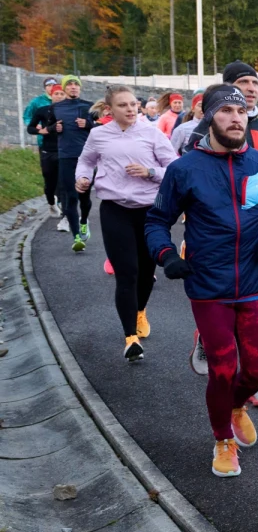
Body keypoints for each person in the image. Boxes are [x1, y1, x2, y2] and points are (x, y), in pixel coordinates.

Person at [145, 84, 258, 478]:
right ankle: (222, 438)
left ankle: (236, 405)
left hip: (257, 281)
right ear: (209, 117)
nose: (236, 118)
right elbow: (157, 221)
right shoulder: (184, 170)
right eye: (226, 111)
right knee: (223, 369)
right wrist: (167, 255)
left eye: (241, 112)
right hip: (209, 286)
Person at [187, 61, 258, 409]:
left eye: (255, 83)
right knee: (224, 365)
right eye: (243, 83)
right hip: (213, 251)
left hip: (257, 246)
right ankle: (214, 345)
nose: (251, 88)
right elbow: (196, 184)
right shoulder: (200, 132)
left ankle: (250, 377)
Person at [75, 85, 177, 361]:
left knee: (146, 272)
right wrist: (82, 178)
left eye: (133, 104)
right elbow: (85, 161)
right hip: (114, 209)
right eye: (123, 105)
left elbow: (175, 168)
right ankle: (130, 337)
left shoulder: (152, 134)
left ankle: (140, 310)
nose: (131, 109)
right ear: (110, 110)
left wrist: (150, 171)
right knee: (127, 272)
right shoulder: (98, 134)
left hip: (149, 211)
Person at [53, 75, 96, 251]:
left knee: (84, 197)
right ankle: (77, 237)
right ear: (64, 89)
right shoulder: (55, 108)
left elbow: (100, 127)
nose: (73, 87)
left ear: (80, 88)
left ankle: (84, 220)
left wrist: (88, 124)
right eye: (69, 85)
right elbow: (45, 127)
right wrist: (53, 128)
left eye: (76, 84)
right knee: (70, 197)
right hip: (65, 156)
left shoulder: (89, 106)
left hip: (86, 157)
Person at [28, 84, 66, 225]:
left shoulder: (71, 112)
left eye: (62, 94)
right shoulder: (42, 110)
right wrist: (41, 131)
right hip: (48, 150)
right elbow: (30, 128)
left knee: (64, 181)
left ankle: (65, 210)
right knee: (49, 181)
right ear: (51, 95)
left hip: (64, 151)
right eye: (56, 94)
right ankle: (51, 202)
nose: (59, 96)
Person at [23, 76, 57, 158]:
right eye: (49, 85)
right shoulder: (37, 101)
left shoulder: (62, 99)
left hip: (60, 139)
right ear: (45, 88)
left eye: (53, 85)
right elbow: (26, 116)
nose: (51, 87)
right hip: (43, 139)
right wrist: (35, 125)